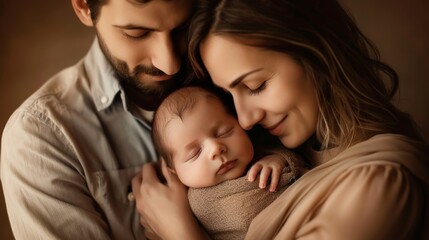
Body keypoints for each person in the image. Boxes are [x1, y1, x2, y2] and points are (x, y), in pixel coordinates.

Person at [131, 0, 429, 239]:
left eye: (256, 86)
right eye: (229, 95)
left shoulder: (382, 185)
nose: (245, 120)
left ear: (316, 54)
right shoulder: (272, 154)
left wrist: (180, 232)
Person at [1, 0, 196, 239]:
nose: (170, 63)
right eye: (137, 33)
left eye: (183, 28)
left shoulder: (229, 80)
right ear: (83, 6)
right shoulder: (41, 137)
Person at [151, 85, 304, 239]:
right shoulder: (189, 208)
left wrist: (280, 159)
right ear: (173, 171)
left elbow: (301, 167)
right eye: (195, 153)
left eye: (224, 132)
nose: (216, 149)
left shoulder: (264, 152)